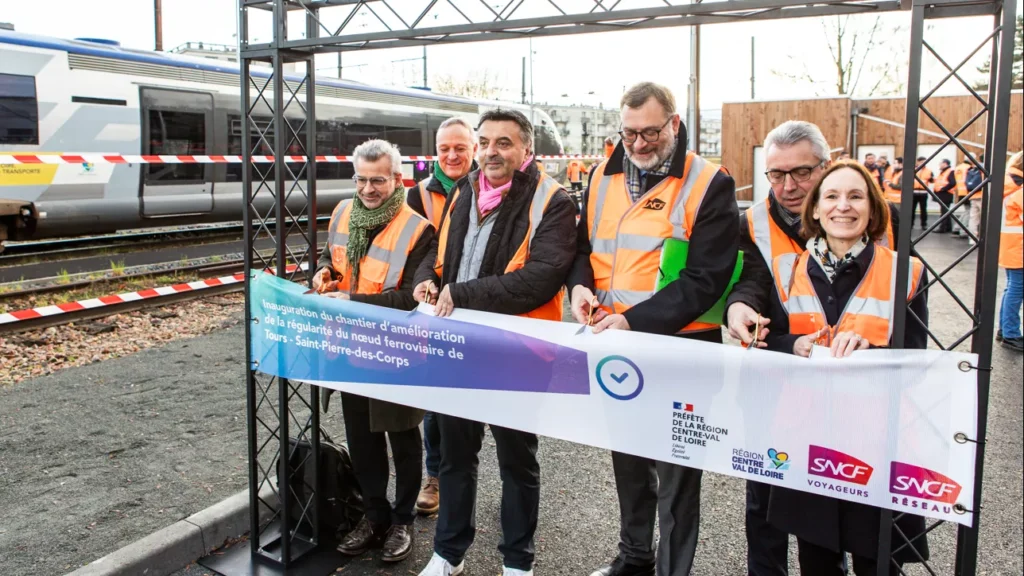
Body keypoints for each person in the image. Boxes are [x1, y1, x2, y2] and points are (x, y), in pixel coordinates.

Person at [569, 81, 739, 576]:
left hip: (680, 352)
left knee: (678, 476)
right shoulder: (602, 175)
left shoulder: (710, 182)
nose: (639, 144)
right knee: (628, 462)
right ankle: (634, 557)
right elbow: (582, 249)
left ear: (674, 125)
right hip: (615, 347)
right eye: (629, 133)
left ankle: (671, 570)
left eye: (650, 133)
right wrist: (579, 288)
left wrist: (633, 320)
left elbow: (706, 279)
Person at [725, 122, 902, 576]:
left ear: (825, 167)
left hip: (864, 405)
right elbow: (752, 281)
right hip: (781, 391)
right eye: (776, 174)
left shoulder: (885, 222)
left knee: (862, 514)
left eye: (801, 173)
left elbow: (902, 311)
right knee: (770, 501)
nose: (787, 186)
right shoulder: (752, 221)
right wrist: (739, 307)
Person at [412, 108, 577, 576]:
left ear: (526, 148)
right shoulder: (464, 190)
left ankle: (517, 563)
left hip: (516, 354)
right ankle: (448, 553)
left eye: (503, 143)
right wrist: (428, 279)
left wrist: (459, 294)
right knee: (455, 460)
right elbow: (438, 255)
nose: (490, 152)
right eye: (484, 142)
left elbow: (539, 280)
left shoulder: (553, 201)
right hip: (459, 348)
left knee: (517, 463)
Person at [764, 161, 930, 575]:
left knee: (878, 562)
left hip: (875, 441)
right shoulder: (787, 271)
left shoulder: (903, 271)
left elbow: (916, 356)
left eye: (856, 196)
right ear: (815, 210)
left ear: (873, 210)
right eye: (832, 197)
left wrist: (872, 347)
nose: (844, 206)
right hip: (808, 438)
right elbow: (769, 343)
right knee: (817, 561)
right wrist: (793, 345)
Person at [313, 139, 436, 563]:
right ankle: (375, 516)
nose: (368, 188)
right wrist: (324, 273)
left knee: (402, 439)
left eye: (378, 180)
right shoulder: (344, 212)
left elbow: (411, 299)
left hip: (396, 352)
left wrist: (352, 303)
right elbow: (334, 260)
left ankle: (402, 521)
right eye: (362, 180)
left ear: (397, 179)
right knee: (362, 440)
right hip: (348, 348)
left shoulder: (419, 229)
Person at [406, 117, 478, 516]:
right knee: (434, 402)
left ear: (474, 150)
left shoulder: (490, 188)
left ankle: (474, 476)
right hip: (435, 310)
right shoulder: (418, 195)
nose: (452, 156)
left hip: (478, 306)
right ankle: (435, 475)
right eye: (445, 148)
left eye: (460, 148)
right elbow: (418, 249)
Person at [998, 151, 1024, 351]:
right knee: (1016, 289)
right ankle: (1011, 333)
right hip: (1019, 247)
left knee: (1012, 288)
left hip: (1011, 245)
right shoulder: (1020, 188)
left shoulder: (1009, 184)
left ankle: (1005, 330)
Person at [966, 153, 986, 244]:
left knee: (973, 218)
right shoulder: (986, 169)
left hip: (973, 196)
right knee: (985, 217)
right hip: (983, 196)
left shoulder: (973, 169)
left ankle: (972, 238)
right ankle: (984, 237)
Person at [911, 156, 934, 229]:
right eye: (921, 162)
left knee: (923, 209)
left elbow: (932, 180)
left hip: (923, 193)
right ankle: (910, 224)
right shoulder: (913, 170)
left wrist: (932, 179)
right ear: (917, 162)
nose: (923, 163)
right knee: (911, 209)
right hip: (914, 192)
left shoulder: (929, 171)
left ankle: (923, 224)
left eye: (924, 161)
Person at [935, 158, 956, 233]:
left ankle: (942, 228)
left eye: (940, 163)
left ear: (945, 164)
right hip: (943, 194)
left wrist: (943, 189)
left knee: (944, 212)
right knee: (946, 211)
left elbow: (952, 183)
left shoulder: (950, 171)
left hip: (946, 194)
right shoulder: (943, 172)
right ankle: (948, 227)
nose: (939, 165)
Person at [952, 158, 972, 237]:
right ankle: (963, 231)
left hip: (961, 192)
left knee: (967, 211)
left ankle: (957, 227)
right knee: (969, 212)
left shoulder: (958, 168)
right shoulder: (969, 168)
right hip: (968, 192)